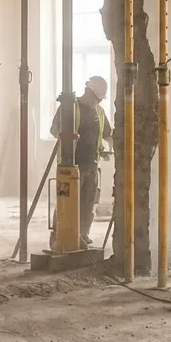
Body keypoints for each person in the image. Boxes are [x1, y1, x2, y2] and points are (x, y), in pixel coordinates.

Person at [48, 76, 113, 248]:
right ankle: (58, 235)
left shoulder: (99, 111)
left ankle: (83, 235)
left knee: (88, 202)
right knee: (66, 201)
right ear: (88, 91)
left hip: (92, 164)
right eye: (97, 97)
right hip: (70, 165)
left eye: (100, 99)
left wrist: (109, 148)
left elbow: (107, 133)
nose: (98, 101)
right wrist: (67, 139)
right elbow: (54, 129)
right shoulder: (70, 106)